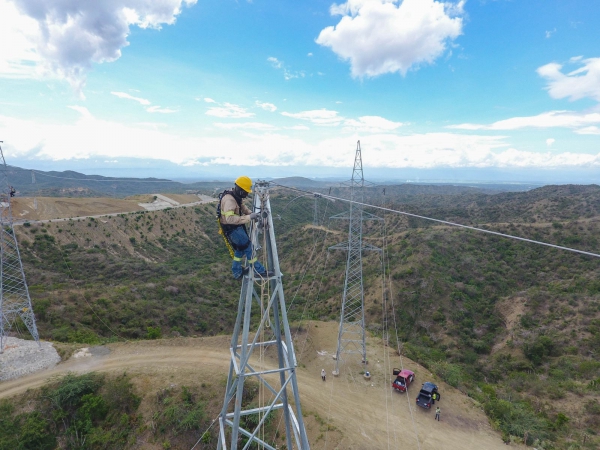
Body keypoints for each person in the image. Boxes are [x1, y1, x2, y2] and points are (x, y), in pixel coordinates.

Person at [217, 176, 272, 280]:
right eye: (245, 192)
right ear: (240, 189)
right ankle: (259, 271)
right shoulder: (230, 200)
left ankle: (237, 272)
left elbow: (242, 207)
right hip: (232, 229)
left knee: (240, 249)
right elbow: (230, 219)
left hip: (235, 228)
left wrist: (252, 214)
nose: (246, 194)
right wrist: (249, 217)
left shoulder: (235, 196)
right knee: (248, 248)